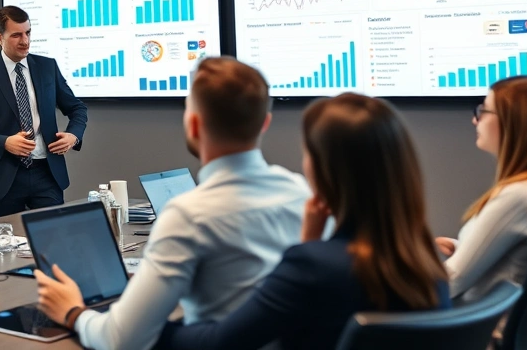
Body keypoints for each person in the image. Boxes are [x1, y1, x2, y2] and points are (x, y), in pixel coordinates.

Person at [34, 57, 310, 350]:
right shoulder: (300, 192)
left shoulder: (190, 215)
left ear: (192, 125)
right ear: (265, 123)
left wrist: (73, 312)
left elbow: (118, 341)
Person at [149, 94, 450, 350]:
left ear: (326, 169)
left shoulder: (315, 267)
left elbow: (217, 343)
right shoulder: (424, 260)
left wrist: (140, 327)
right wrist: (310, 243)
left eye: (309, 153)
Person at [0, 6, 88, 219]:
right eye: (16, 35)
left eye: (28, 33)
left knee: (53, 238)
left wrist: (74, 136)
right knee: (5, 245)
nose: (25, 41)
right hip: (2, 178)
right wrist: (5, 142)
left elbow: (77, 108)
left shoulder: (47, 67)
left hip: (46, 173)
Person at [436, 76, 527, 300]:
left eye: (484, 110)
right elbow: (515, 258)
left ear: (512, 121)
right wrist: (462, 247)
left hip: (485, 331)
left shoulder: (519, 196)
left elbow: (453, 280)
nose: (476, 120)